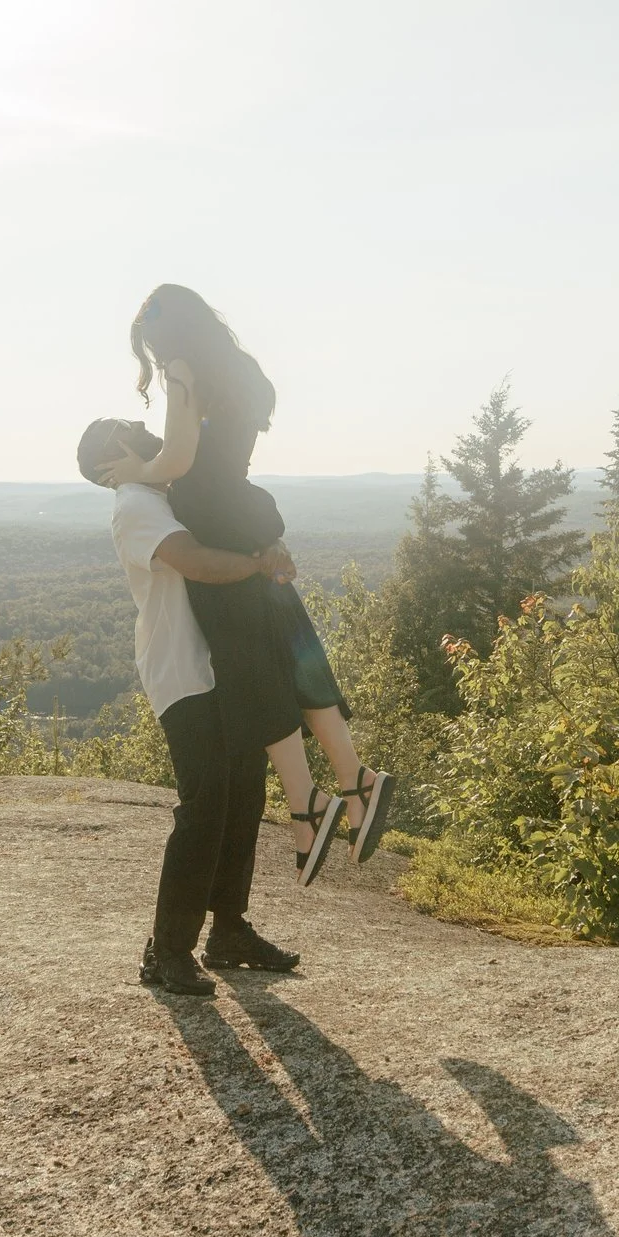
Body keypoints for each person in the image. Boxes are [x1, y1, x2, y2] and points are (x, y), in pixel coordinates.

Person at [99, 284, 398, 885]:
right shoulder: (239, 369)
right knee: (292, 648)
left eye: (152, 345)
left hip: (215, 521)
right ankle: (353, 780)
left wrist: (136, 470)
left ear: (168, 333)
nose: (154, 360)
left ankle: (310, 804)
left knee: (249, 666)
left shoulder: (184, 367)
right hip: (241, 511)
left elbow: (180, 459)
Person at [80, 415, 306, 998]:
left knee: (244, 796)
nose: (143, 424)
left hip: (226, 666)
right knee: (205, 802)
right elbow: (199, 562)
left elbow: (235, 520)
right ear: (117, 453)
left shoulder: (171, 489)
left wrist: (266, 544)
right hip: (183, 673)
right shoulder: (135, 505)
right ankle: (167, 950)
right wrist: (259, 564)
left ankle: (228, 931)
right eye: (128, 425)